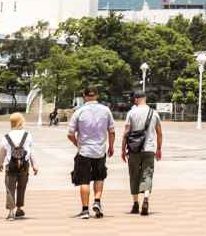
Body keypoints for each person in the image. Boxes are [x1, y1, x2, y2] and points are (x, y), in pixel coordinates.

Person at [67, 86, 116, 220]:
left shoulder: (79, 112)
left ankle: (85, 210)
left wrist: (78, 144)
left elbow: (70, 134)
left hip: (84, 151)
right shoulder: (106, 111)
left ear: (84, 96)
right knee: (99, 177)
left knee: (84, 180)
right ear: (97, 95)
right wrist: (111, 147)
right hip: (100, 151)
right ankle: (97, 201)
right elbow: (112, 131)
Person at [120, 89, 164, 217]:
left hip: (134, 150)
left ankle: (135, 204)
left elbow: (126, 133)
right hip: (149, 149)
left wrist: (123, 149)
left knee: (134, 175)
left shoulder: (131, 113)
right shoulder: (154, 113)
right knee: (147, 174)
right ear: (145, 99)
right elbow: (159, 133)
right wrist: (159, 149)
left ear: (135, 100)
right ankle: (146, 198)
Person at [0, 111, 39, 220]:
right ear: (21, 122)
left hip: (10, 166)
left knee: (10, 188)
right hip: (24, 166)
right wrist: (34, 165)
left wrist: (0, 163)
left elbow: (2, 151)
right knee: (21, 187)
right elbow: (31, 151)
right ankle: (19, 209)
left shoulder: (6, 136)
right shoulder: (28, 135)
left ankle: (11, 212)